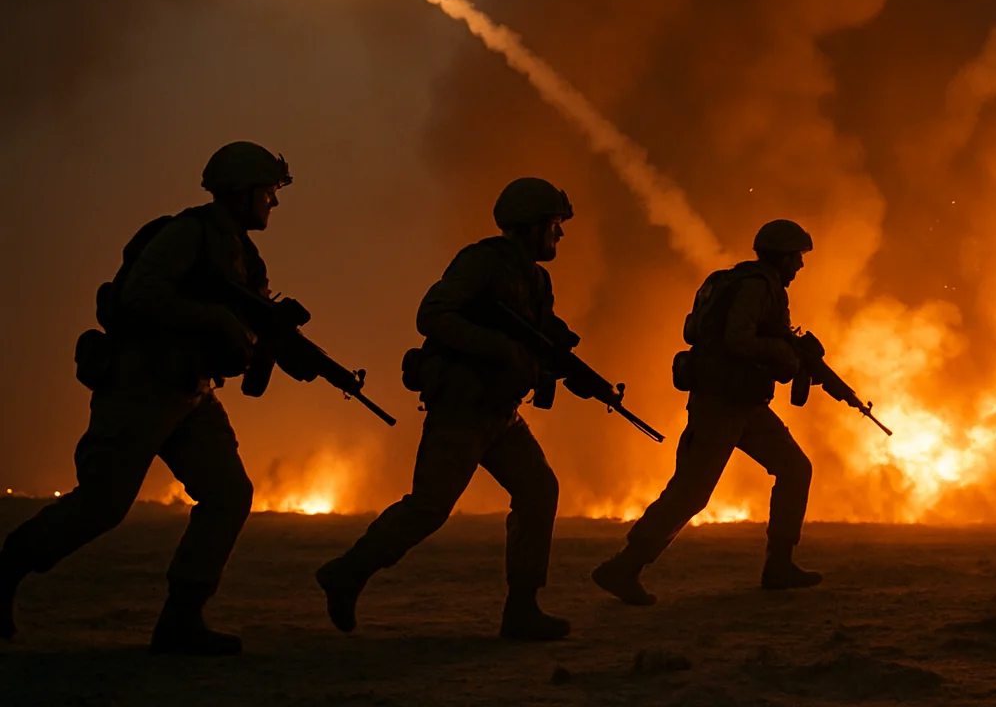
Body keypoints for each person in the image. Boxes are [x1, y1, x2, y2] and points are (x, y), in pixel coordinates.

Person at [0, 141, 292, 654]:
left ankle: (182, 619)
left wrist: (269, 341)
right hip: (141, 386)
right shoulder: (187, 234)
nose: (273, 200)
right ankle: (5, 571)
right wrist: (213, 319)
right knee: (102, 505)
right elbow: (140, 293)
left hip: (193, 392)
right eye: (267, 190)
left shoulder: (246, 256)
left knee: (228, 494)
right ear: (239, 191)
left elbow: (248, 325)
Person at [316, 178, 572, 640]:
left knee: (538, 490)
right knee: (429, 507)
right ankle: (347, 572)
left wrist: (555, 351)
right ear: (531, 225)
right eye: (554, 223)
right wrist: (501, 349)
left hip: (500, 411)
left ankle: (522, 607)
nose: (559, 233)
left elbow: (537, 332)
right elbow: (433, 314)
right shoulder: (481, 262)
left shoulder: (536, 279)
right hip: (462, 407)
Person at [592, 219, 819, 606]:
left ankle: (779, 565)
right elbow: (737, 338)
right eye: (797, 256)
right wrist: (783, 353)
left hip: (745, 404)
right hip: (720, 404)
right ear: (782, 256)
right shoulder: (757, 287)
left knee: (795, 468)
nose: (799, 265)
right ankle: (624, 566)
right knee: (691, 491)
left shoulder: (743, 283)